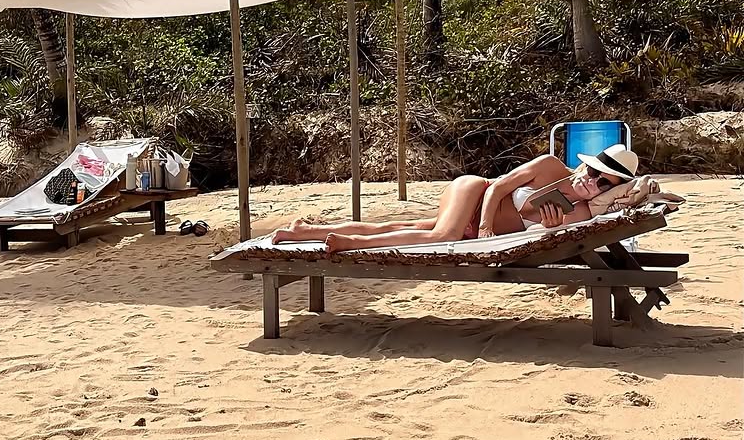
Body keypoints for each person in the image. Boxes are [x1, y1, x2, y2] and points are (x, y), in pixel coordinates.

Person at [273, 143, 639, 253]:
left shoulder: (579, 212)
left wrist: (549, 225)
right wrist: (482, 227)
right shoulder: (548, 166)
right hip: (475, 191)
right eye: (594, 173)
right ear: (585, 166)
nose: (594, 184)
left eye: (605, 184)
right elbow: (498, 187)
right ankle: (352, 243)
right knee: (439, 236)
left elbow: (543, 236)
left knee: (409, 225)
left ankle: (302, 232)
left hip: (478, 224)